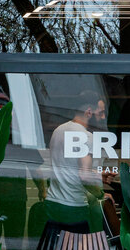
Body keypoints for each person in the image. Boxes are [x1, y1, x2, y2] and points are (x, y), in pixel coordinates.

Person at [44, 90, 107, 232]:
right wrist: (101, 194)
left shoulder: (58, 131)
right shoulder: (86, 136)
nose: (103, 117)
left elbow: (65, 167)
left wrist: (97, 175)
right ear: (89, 112)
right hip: (73, 206)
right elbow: (84, 176)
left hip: (53, 203)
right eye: (101, 112)